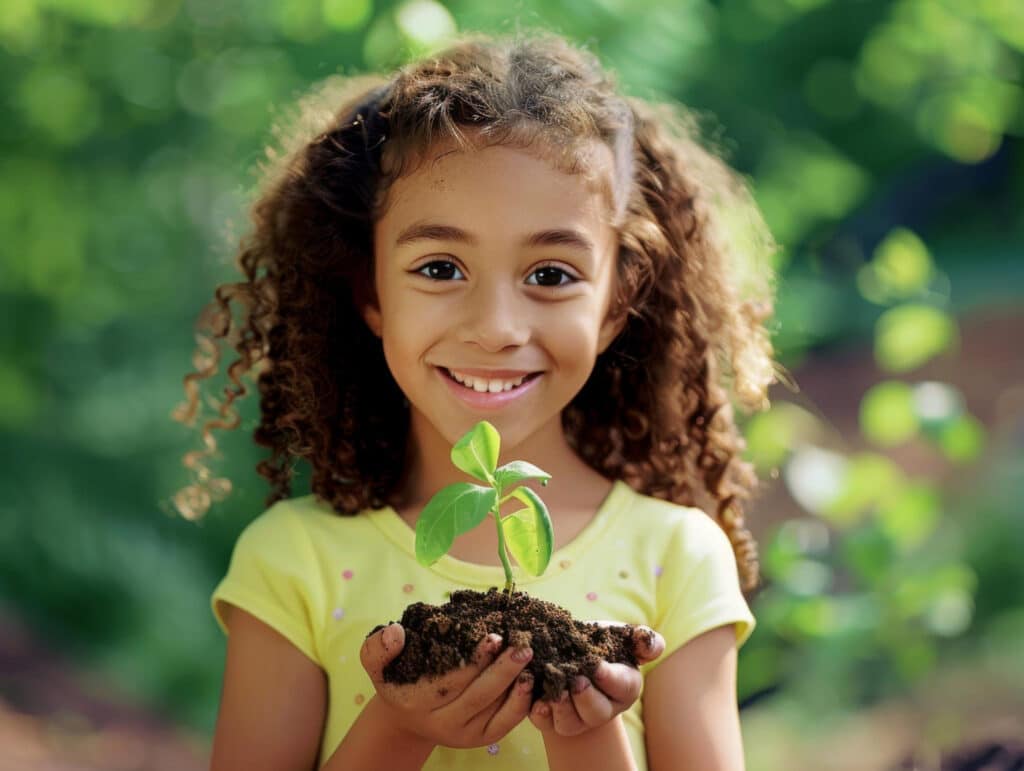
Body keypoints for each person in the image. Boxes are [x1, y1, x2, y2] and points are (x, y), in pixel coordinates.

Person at [172, 30, 779, 771]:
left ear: (618, 305)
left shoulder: (677, 559)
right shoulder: (294, 564)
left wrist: (583, 726)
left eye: (551, 275)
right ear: (371, 294)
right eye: (439, 267)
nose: (496, 328)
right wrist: (397, 727)